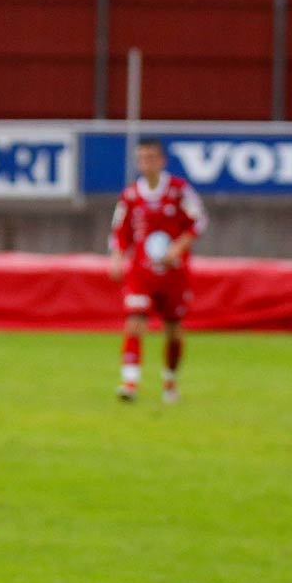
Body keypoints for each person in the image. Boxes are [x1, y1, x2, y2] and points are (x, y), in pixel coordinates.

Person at [107, 138, 207, 404]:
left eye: (151, 158)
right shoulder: (130, 195)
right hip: (141, 272)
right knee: (135, 322)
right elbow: (120, 232)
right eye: (141, 158)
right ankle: (129, 383)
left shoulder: (178, 190)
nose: (146, 163)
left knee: (173, 329)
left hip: (173, 273)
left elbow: (198, 222)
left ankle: (170, 383)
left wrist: (178, 248)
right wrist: (117, 258)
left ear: (162, 161)